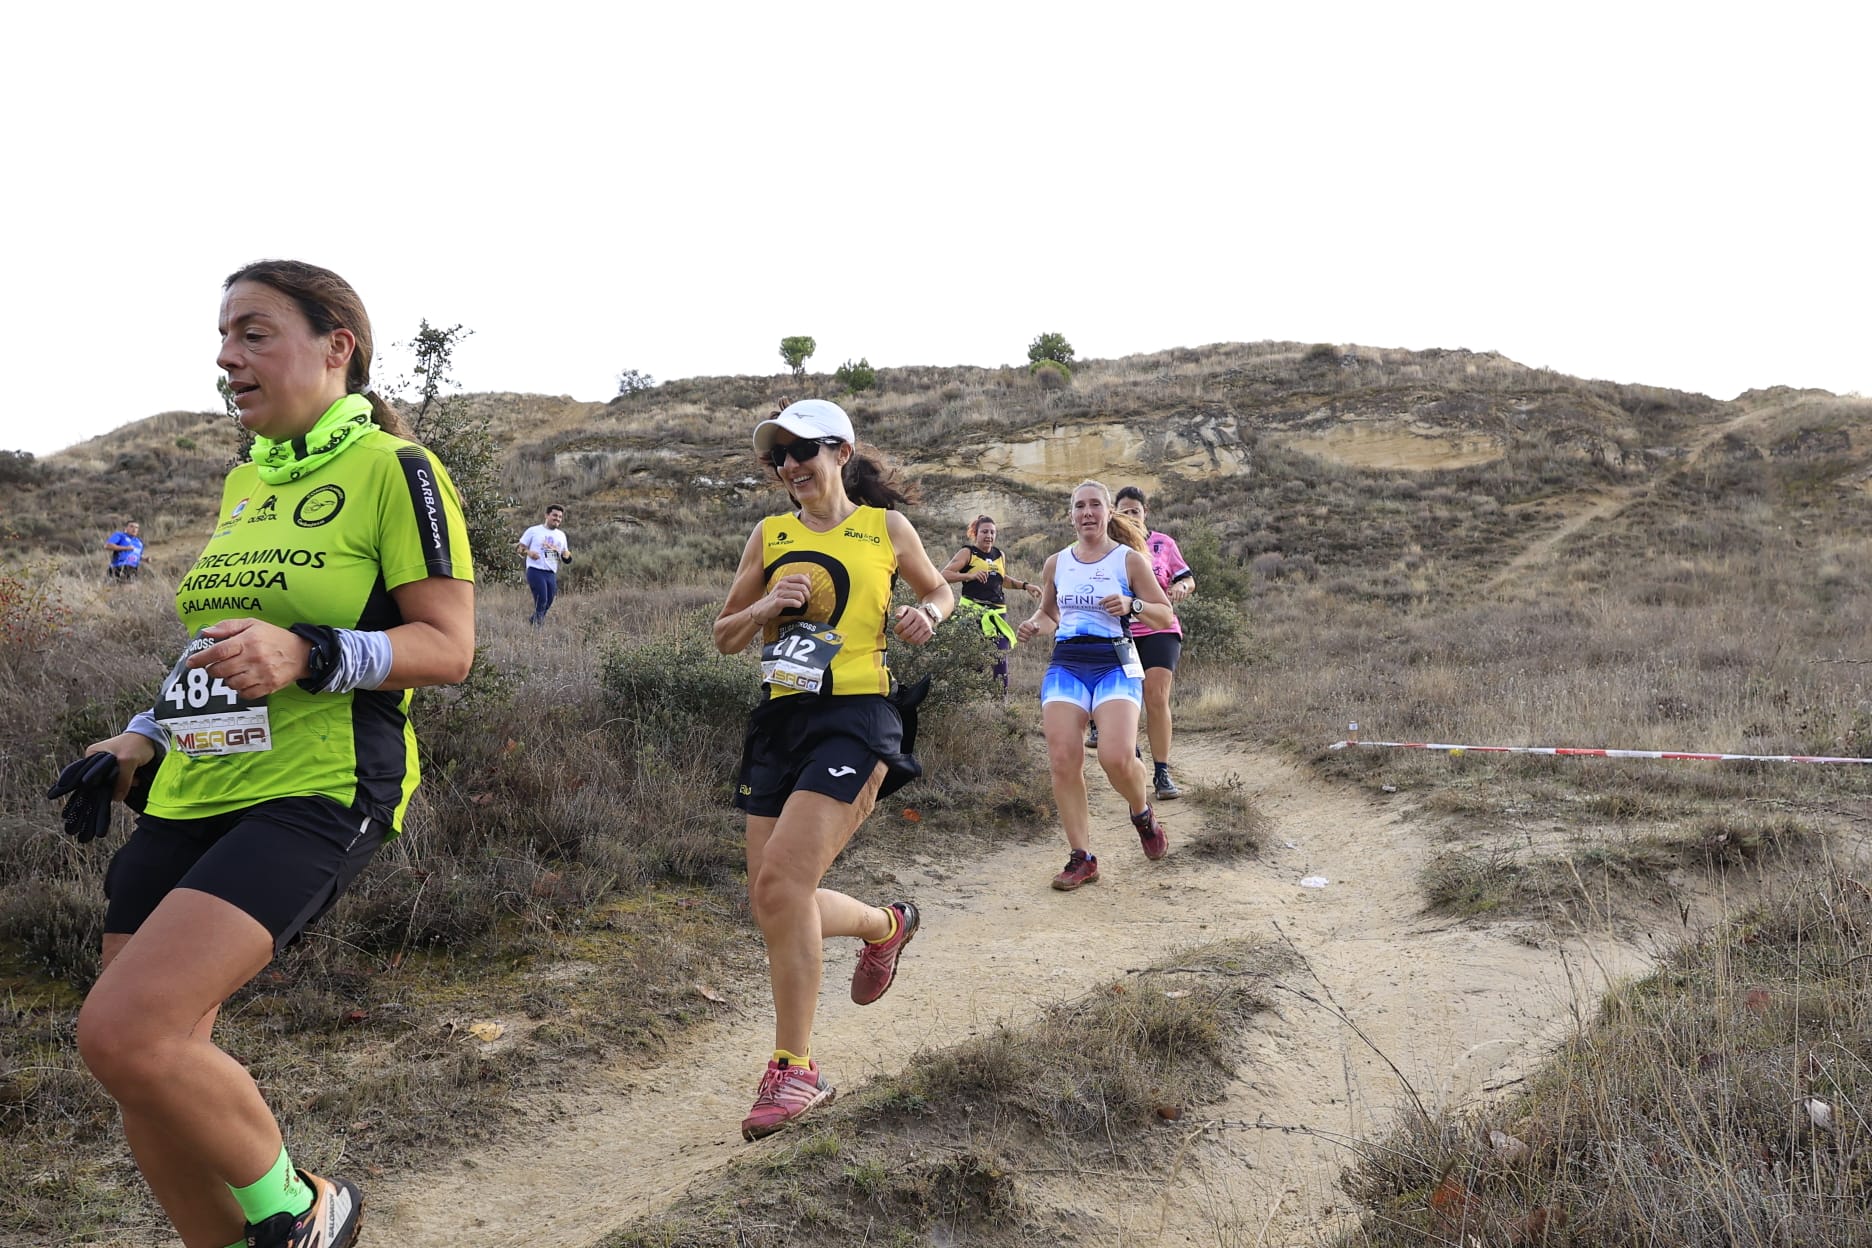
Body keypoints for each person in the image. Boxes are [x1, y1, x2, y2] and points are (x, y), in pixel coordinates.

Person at [57, 260, 475, 1248]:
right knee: (146, 1071)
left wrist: (311, 653)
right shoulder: (249, 479)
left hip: (320, 788)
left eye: (252, 332)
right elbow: (214, 644)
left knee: (125, 1032)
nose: (225, 356)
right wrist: (141, 736)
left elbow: (449, 648)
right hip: (196, 788)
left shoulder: (394, 470)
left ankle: (304, 1208)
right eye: (222, 336)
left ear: (338, 347)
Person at [713, 397, 952, 1141]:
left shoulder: (885, 528)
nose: (790, 466)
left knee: (783, 886)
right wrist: (763, 610)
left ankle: (796, 1071)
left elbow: (937, 589)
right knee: (775, 900)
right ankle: (886, 926)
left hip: (856, 719)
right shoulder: (770, 534)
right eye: (778, 456)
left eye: (803, 451)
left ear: (841, 453)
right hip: (780, 719)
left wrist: (930, 616)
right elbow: (722, 635)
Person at [1017, 480, 1175, 891]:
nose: (1087, 513)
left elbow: (1163, 615)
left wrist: (1132, 605)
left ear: (1108, 513)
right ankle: (1082, 857)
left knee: (1115, 756)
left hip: (1115, 662)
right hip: (1068, 662)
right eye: (1079, 506)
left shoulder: (1130, 561)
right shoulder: (1057, 563)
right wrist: (1036, 624)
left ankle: (1141, 812)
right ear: (1070, 515)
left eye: (1094, 505)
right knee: (1063, 758)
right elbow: (1050, 612)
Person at [1113, 486, 1195, 800]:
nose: (1131, 515)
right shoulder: (1110, 548)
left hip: (1161, 629)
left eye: (1136, 510)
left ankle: (1162, 772)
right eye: (1124, 510)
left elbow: (1186, 577)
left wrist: (1182, 587)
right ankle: (1133, 759)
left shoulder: (1163, 543)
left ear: (1146, 512)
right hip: (1122, 633)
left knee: (1156, 696)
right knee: (1128, 699)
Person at [940, 514, 1041, 691]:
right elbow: (944, 574)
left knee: (1000, 657)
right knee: (974, 661)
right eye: (984, 532)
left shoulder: (999, 555)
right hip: (973, 613)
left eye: (992, 532)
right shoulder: (968, 553)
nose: (989, 536)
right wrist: (969, 575)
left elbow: (1002, 579)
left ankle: (1001, 701)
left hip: (997, 614)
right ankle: (968, 697)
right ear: (975, 533)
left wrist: (1026, 586)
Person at [517, 504, 571, 625]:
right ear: (547, 515)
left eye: (560, 517)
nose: (557, 519)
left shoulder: (561, 535)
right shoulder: (533, 531)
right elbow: (519, 549)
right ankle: (537, 629)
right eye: (555, 515)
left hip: (551, 572)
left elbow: (565, 553)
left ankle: (533, 620)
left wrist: (567, 556)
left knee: (548, 602)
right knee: (542, 599)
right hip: (535, 570)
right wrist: (528, 552)